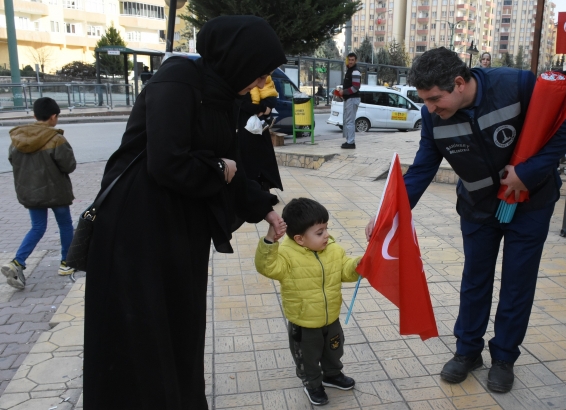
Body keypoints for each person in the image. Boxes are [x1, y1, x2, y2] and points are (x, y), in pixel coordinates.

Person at [82, 16, 287, 409]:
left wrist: (266, 210)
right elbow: (168, 162)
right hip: (137, 229)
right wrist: (217, 168)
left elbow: (234, 162)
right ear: (238, 60)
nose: (264, 84)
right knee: (142, 334)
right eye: (260, 73)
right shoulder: (176, 82)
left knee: (180, 327)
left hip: (179, 228)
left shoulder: (224, 93)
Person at [367, 47, 566, 392]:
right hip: (478, 208)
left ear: (460, 83)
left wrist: (528, 173)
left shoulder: (517, 85)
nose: (430, 109)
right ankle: (467, 352)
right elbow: (421, 170)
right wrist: (387, 215)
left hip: (531, 203)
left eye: (435, 99)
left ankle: (505, 357)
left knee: (517, 283)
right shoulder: (433, 117)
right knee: (475, 280)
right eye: (425, 101)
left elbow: (563, 134)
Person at [255, 198, 360, 406]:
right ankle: (313, 384)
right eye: (319, 232)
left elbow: (345, 270)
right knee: (308, 358)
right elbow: (266, 266)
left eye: (326, 229)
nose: (326, 235)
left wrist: (360, 265)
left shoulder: (333, 249)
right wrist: (270, 240)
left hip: (331, 318)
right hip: (304, 323)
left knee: (334, 349)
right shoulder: (286, 255)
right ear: (300, 239)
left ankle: (332, 374)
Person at [2, 97, 76, 290]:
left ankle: (17, 262)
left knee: (37, 227)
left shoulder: (18, 139)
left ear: (34, 115)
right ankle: (65, 263)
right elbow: (69, 166)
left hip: (31, 193)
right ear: (53, 117)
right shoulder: (56, 139)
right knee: (65, 224)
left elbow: (13, 161)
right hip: (57, 192)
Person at [237, 75, 283, 191]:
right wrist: (262, 108)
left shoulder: (264, 82)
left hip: (258, 130)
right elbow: (243, 104)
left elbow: (271, 101)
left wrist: (263, 109)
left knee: (262, 162)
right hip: (246, 130)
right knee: (249, 162)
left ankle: (262, 188)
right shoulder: (241, 83)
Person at [334, 53, 361, 149]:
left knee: (349, 121)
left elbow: (356, 87)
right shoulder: (350, 71)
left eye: (352, 60)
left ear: (355, 60)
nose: (350, 61)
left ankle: (351, 142)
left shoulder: (355, 72)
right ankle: (349, 141)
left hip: (352, 99)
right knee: (347, 120)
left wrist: (343, 91)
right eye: (349, 59)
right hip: (349, 99)